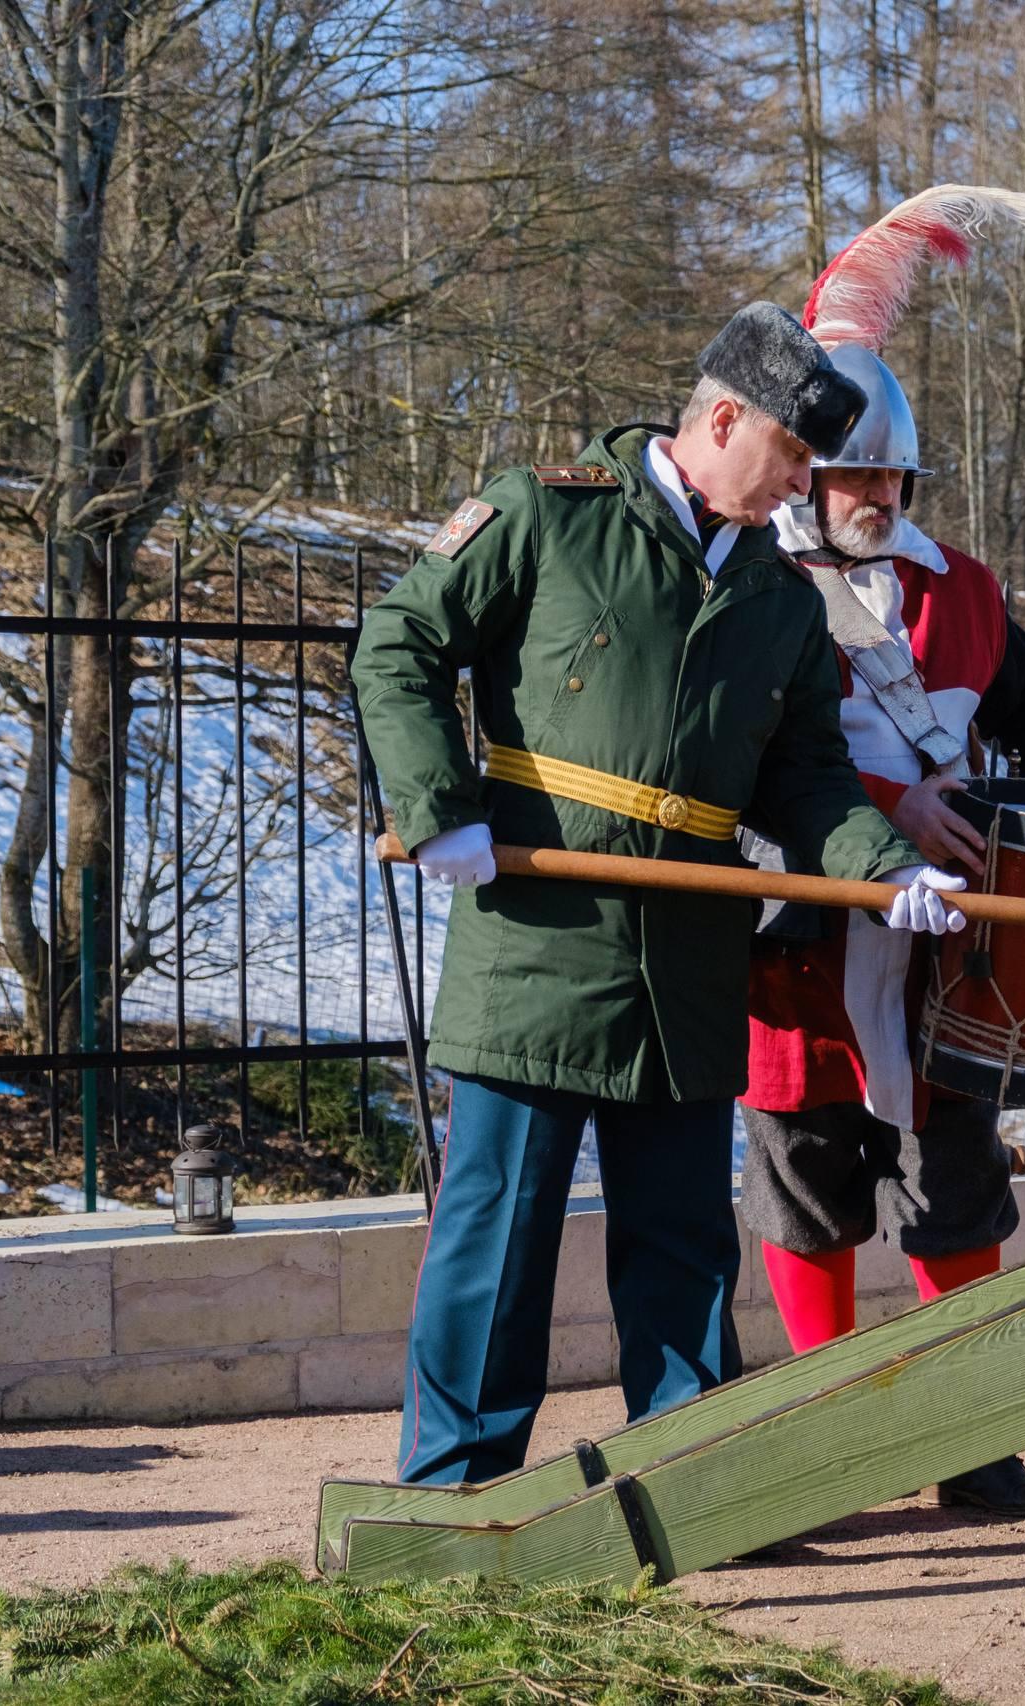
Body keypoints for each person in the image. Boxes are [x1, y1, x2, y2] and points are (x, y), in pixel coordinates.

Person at [354, 302, 970, 1487]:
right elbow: (399, 642)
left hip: (688, 953)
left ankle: (688, 1478)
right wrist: (439, 807)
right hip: (537, 935)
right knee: (497, 1236)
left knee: (683, 1244)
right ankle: (458, 1489)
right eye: (791, 455)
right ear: (721, 417)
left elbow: (809, 780)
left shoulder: (784, 601)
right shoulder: (546, 513)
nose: (802, 484)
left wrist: (885, 874)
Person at [741, 188, 1025, 1519]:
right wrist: (882, 797)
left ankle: (969, 1435)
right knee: (808, 1182)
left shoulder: (965, 589)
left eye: (894, 479)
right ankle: (832, 1445)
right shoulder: (759, 591)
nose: (876, 499)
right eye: (854, 478)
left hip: (944, 945)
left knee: (959, 1186)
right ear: (812, 476)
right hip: (805, 940)